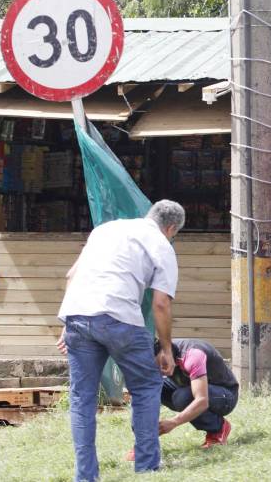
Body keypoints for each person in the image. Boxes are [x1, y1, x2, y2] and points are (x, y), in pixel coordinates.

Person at [57, 200, 185, 482]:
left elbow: (71, 275)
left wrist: (67, 324)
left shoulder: (105, 230)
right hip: (120, 319)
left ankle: (85, 476)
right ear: (171, 229)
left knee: (81, 398)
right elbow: (161, 303)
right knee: (147, 386)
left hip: (77, 315)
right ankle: (147, 466)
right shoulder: (162, 245)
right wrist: (166, 348)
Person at [126, 338, 238, 459]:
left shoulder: (193, 356)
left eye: (162, 363)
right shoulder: (159, 357)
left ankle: (218, 429)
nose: (160, 369)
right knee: (144, 389)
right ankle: (144, 443)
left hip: (225, 395)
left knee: (182, 397)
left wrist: (174, 422)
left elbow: (201, 400)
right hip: (186, 386)